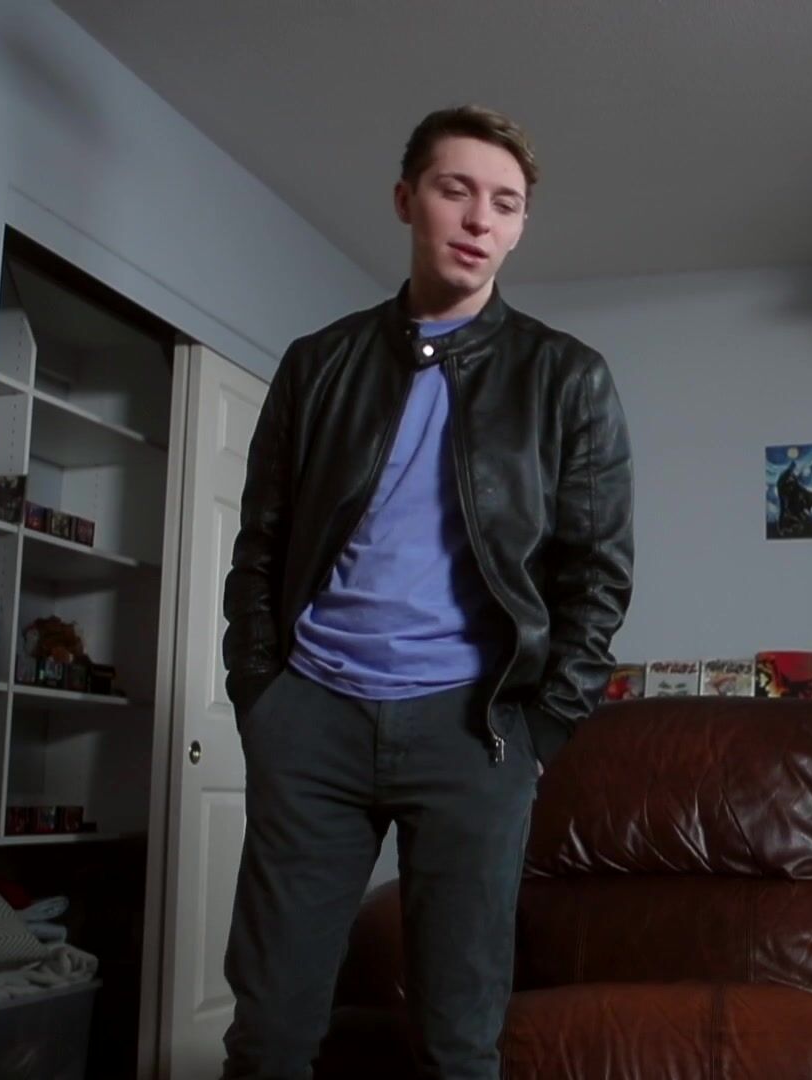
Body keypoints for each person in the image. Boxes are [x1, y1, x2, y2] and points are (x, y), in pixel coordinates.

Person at [218, 104, 634, 1079]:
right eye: (457, 190)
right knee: (270, 1032)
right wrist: (263, 695)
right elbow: (261, 544)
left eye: (506, 203)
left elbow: (597, 572)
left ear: (520, 226)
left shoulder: (566, 378)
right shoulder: (319, 364)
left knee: (459, 1039)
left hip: (473, 730)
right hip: (312, 720)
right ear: (407, 199)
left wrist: (540, 731)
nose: (480, 218)